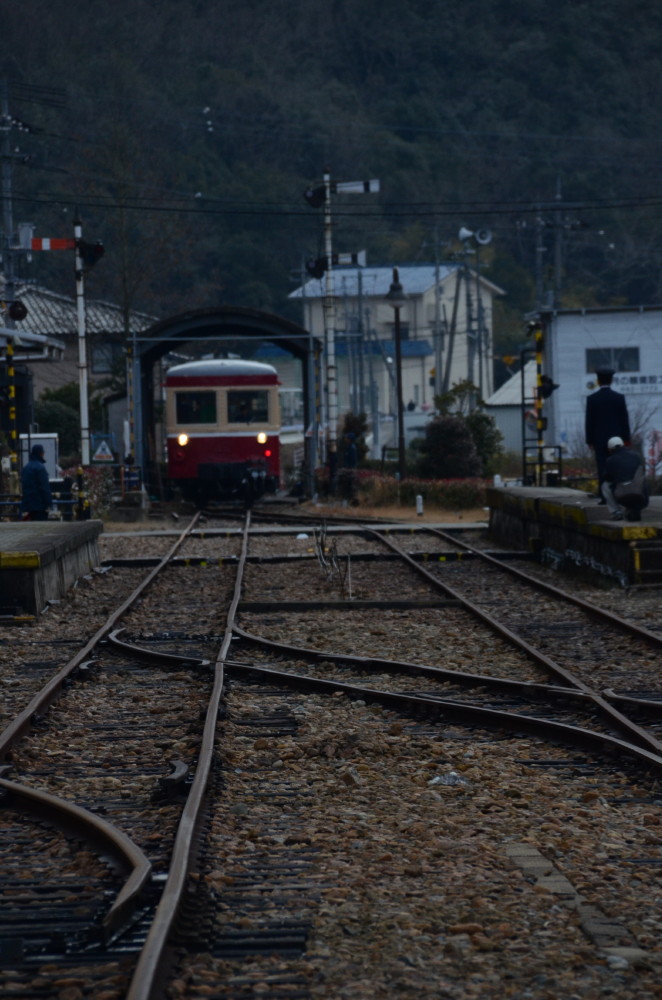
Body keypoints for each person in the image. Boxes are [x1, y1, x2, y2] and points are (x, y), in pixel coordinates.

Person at [585, 366, 631, 501]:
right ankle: (619, 495)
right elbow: (624, 420)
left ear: (598, 381)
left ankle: (604, 497)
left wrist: (589, 440)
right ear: (611, 381)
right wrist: (627, 439)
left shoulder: (592, 399)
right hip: (617, 439)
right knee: (618, 466)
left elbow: (589, 421)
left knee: (602, 467)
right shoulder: (619, 398)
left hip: (599, 439)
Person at [601, 436, 649, 522]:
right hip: (640, 496)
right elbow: (642, 472)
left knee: (605, 485)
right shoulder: (636, 456)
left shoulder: (610, 460)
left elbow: (607, 477)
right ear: (623, 445)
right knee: (642, 479)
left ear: (610, 449)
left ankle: (616, 512)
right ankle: (633, 509)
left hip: (622, 495)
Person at [21, 444, 52, 521]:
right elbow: (45, 488)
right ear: (41, 453)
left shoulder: (26, 468)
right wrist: (49, 503)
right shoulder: (41, 468)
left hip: (27, 505)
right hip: (40, 506)